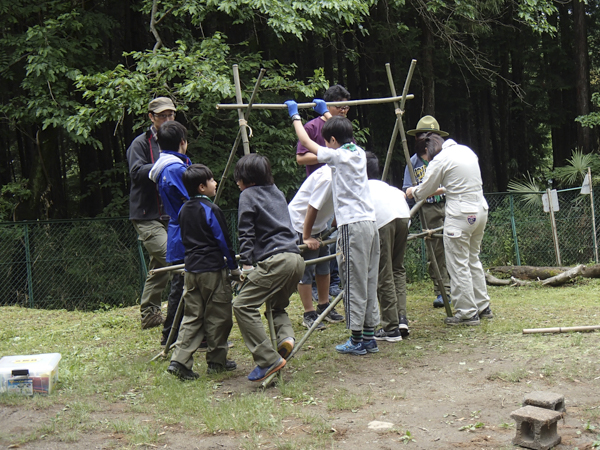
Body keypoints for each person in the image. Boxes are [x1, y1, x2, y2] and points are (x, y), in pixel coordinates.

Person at [286, 99, 380, 356]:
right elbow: (342, 131)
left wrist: (295, 116)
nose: (326, 145)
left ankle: (357, 338)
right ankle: (370, 337)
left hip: (353, 227)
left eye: (328, 141)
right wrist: (325, 112)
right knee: (369, 279)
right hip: (370, 224)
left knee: (352, 281)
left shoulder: (337, 157)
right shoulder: (358, 152)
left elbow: (307, 143)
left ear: (333, 142)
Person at [406, 133, 492, 326]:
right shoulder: (466, 151)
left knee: (457, 263)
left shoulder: (440, 159)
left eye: (425, 157)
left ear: (428, 150)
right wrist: (442, 189)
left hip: (460, 215)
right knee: (472, 258)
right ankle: (483, 306)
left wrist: (413, 191)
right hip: (480, 210)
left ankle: (467, 313)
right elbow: (459, 182)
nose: (427, 160)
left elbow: (424, 190)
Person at [232, 154, 305, 382]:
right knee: (276, 305)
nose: (237, 183)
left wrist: (245, 263)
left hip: (275, 261)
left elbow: (246, 230)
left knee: (242, 305)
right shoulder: (277, 192)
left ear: (247, 179)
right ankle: (286, 338)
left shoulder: (248, 194)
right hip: (295, 258)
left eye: (239, 179)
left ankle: (268, 360)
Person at [167, 164, 239, 380]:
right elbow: (223, 240)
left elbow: (180, 240)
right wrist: (233, 267)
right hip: (212, 270)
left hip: (191, 270)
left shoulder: (182, 210)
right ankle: (217, 361)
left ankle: (179, 361)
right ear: (201, 187)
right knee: (219, 314)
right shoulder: (211, 209)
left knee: (192, 316)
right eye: (211, 180)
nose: (215, 183)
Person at [126, 97, 182, 330]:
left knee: (159, 266)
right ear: (151, 117)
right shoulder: (140, 144)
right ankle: (180, 314)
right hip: (146, 215)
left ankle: (149, 313)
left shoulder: (177, 139)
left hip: (170, 215)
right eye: (162, 116)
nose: (167, 119)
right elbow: (137, 173)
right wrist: (164, 165)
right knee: (174, 259)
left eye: (171, 115)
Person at [296, 85, 351, 299]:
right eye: (340, 106)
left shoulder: (344, 132)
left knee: (329, 248)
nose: (344, 110)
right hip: (320, 188)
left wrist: (329, 155)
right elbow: (301, 156)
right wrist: (326, 156)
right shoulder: (312, 127)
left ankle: (331, 288)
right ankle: (315, 301)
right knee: (313, 253)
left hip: (337, 191)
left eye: (347, 107)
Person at [148, 121, 191, 346]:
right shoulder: (175, 169)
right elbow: (192, 200)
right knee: (181, 286)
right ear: (183, 142)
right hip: (185, 233)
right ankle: (171, 335)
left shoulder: (166, 166)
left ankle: (187, 335)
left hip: (180, 231)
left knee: (186, 286)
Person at [403, 115, 451, 308]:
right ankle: (442, 291)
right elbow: (407, 189)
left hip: (449, 204)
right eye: (423, 135)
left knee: (454, 245)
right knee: (436, 250)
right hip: (428, 209)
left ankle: (457, 287)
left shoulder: (446, 158)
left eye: (432, 135)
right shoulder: (413, 162)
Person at [288, 165, 344, 330]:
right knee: (305, 269)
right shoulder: (327, 177)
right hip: (300, 224)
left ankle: (324, 305)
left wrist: (334, 221)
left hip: (319, 226)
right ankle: (309, 313)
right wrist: (306, 237)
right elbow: (312, 207)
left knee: (323, 266)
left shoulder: (344, 173)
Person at [365, 152, 411, 341]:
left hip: (384, 221)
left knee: (383, 272)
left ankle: (391, 327)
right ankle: (401, 318)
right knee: (397, 269)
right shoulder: (386, 186)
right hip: (403, 215)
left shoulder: (362, 187)